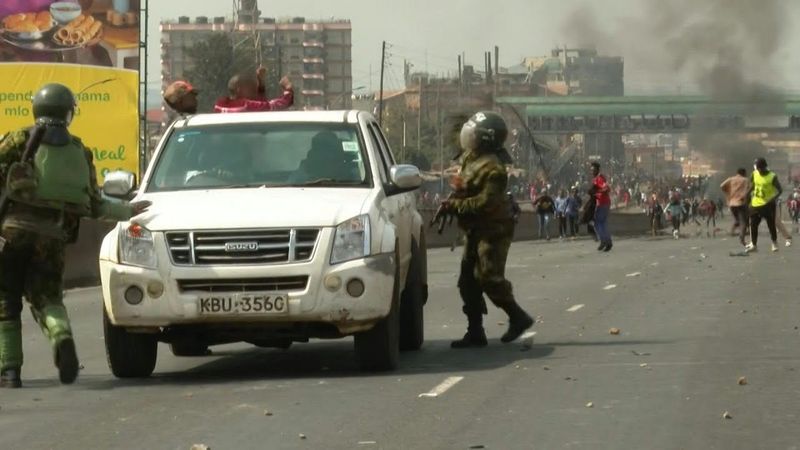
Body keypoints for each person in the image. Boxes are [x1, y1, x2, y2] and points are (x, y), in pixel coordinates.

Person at [0, 84, 150, 388]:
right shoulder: (80, 150)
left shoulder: (17, 139)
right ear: (69, 112)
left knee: (6, 301)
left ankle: (10, 370)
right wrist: (128, 210)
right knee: (48, 298)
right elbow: (94, 204)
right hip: (53, 237)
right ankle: (61, 335)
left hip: (12, 233)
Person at [440, 111, 534, 348]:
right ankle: (475, 331)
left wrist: (455, 205)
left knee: (488, 278)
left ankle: (518, 317)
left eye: (473, 135)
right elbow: (464, 185)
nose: (467, 138)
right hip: (474, 228)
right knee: (466, 282)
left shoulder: (495, 169)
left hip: (493, 229)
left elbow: (485, 203)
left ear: (486, 139)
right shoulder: (470, 158)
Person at [214, 66, 294, 113]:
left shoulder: (219, 105)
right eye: (250, 86)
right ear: (239, 89)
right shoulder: (245, 105)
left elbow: (259, 104)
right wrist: (288, 90)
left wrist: (261, 82)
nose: (254, 90)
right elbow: (273, 106)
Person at [746, 157, 782, 253]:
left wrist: (772, 199)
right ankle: (754, 245)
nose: (758, 170)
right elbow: (753, 185)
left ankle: (774, 243)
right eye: (757, 168)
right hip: (755, 203)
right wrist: (747, 194)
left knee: (771, 224)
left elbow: (780, 190)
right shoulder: (754, 174)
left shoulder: (772, 176)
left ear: (764, 167)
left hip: (768, 204)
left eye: (760, 168)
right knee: (753, 224)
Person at [721, 168, 750, 247]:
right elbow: (749, 190)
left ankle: (731, 232)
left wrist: (728, 192)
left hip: (732, 203)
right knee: (743, 221)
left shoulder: (731, 179)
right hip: (741, 202)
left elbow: (722, 186)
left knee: (737, 219)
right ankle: (742, 237)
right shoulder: (745, 180)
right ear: (744, 173)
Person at [590, 162, 613, 251]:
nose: (592, 172)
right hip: (601, 203)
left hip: (603, 203)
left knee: (599, 223)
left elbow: (607, 188)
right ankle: (606, 241)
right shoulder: (596, 179)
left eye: (593, 170)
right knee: (601, 223)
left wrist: (597, 192)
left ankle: (605, 241)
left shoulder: (600, 178)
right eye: (591, 170)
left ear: (597, 169)